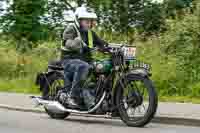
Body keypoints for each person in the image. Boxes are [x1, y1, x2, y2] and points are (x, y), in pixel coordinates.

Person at [62, 6, 110, 109]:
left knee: (102, 68)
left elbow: (102, 43)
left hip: (85, 61)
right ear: (78, 20)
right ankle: (72, 97)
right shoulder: (72, 28)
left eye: (90, 21)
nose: (89, 23)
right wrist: (77, 43)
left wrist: (113, 48)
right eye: (86, 21)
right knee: (83, 66)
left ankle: (96, 98)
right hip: (68, 60)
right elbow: (67, 43)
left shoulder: (90, 33)